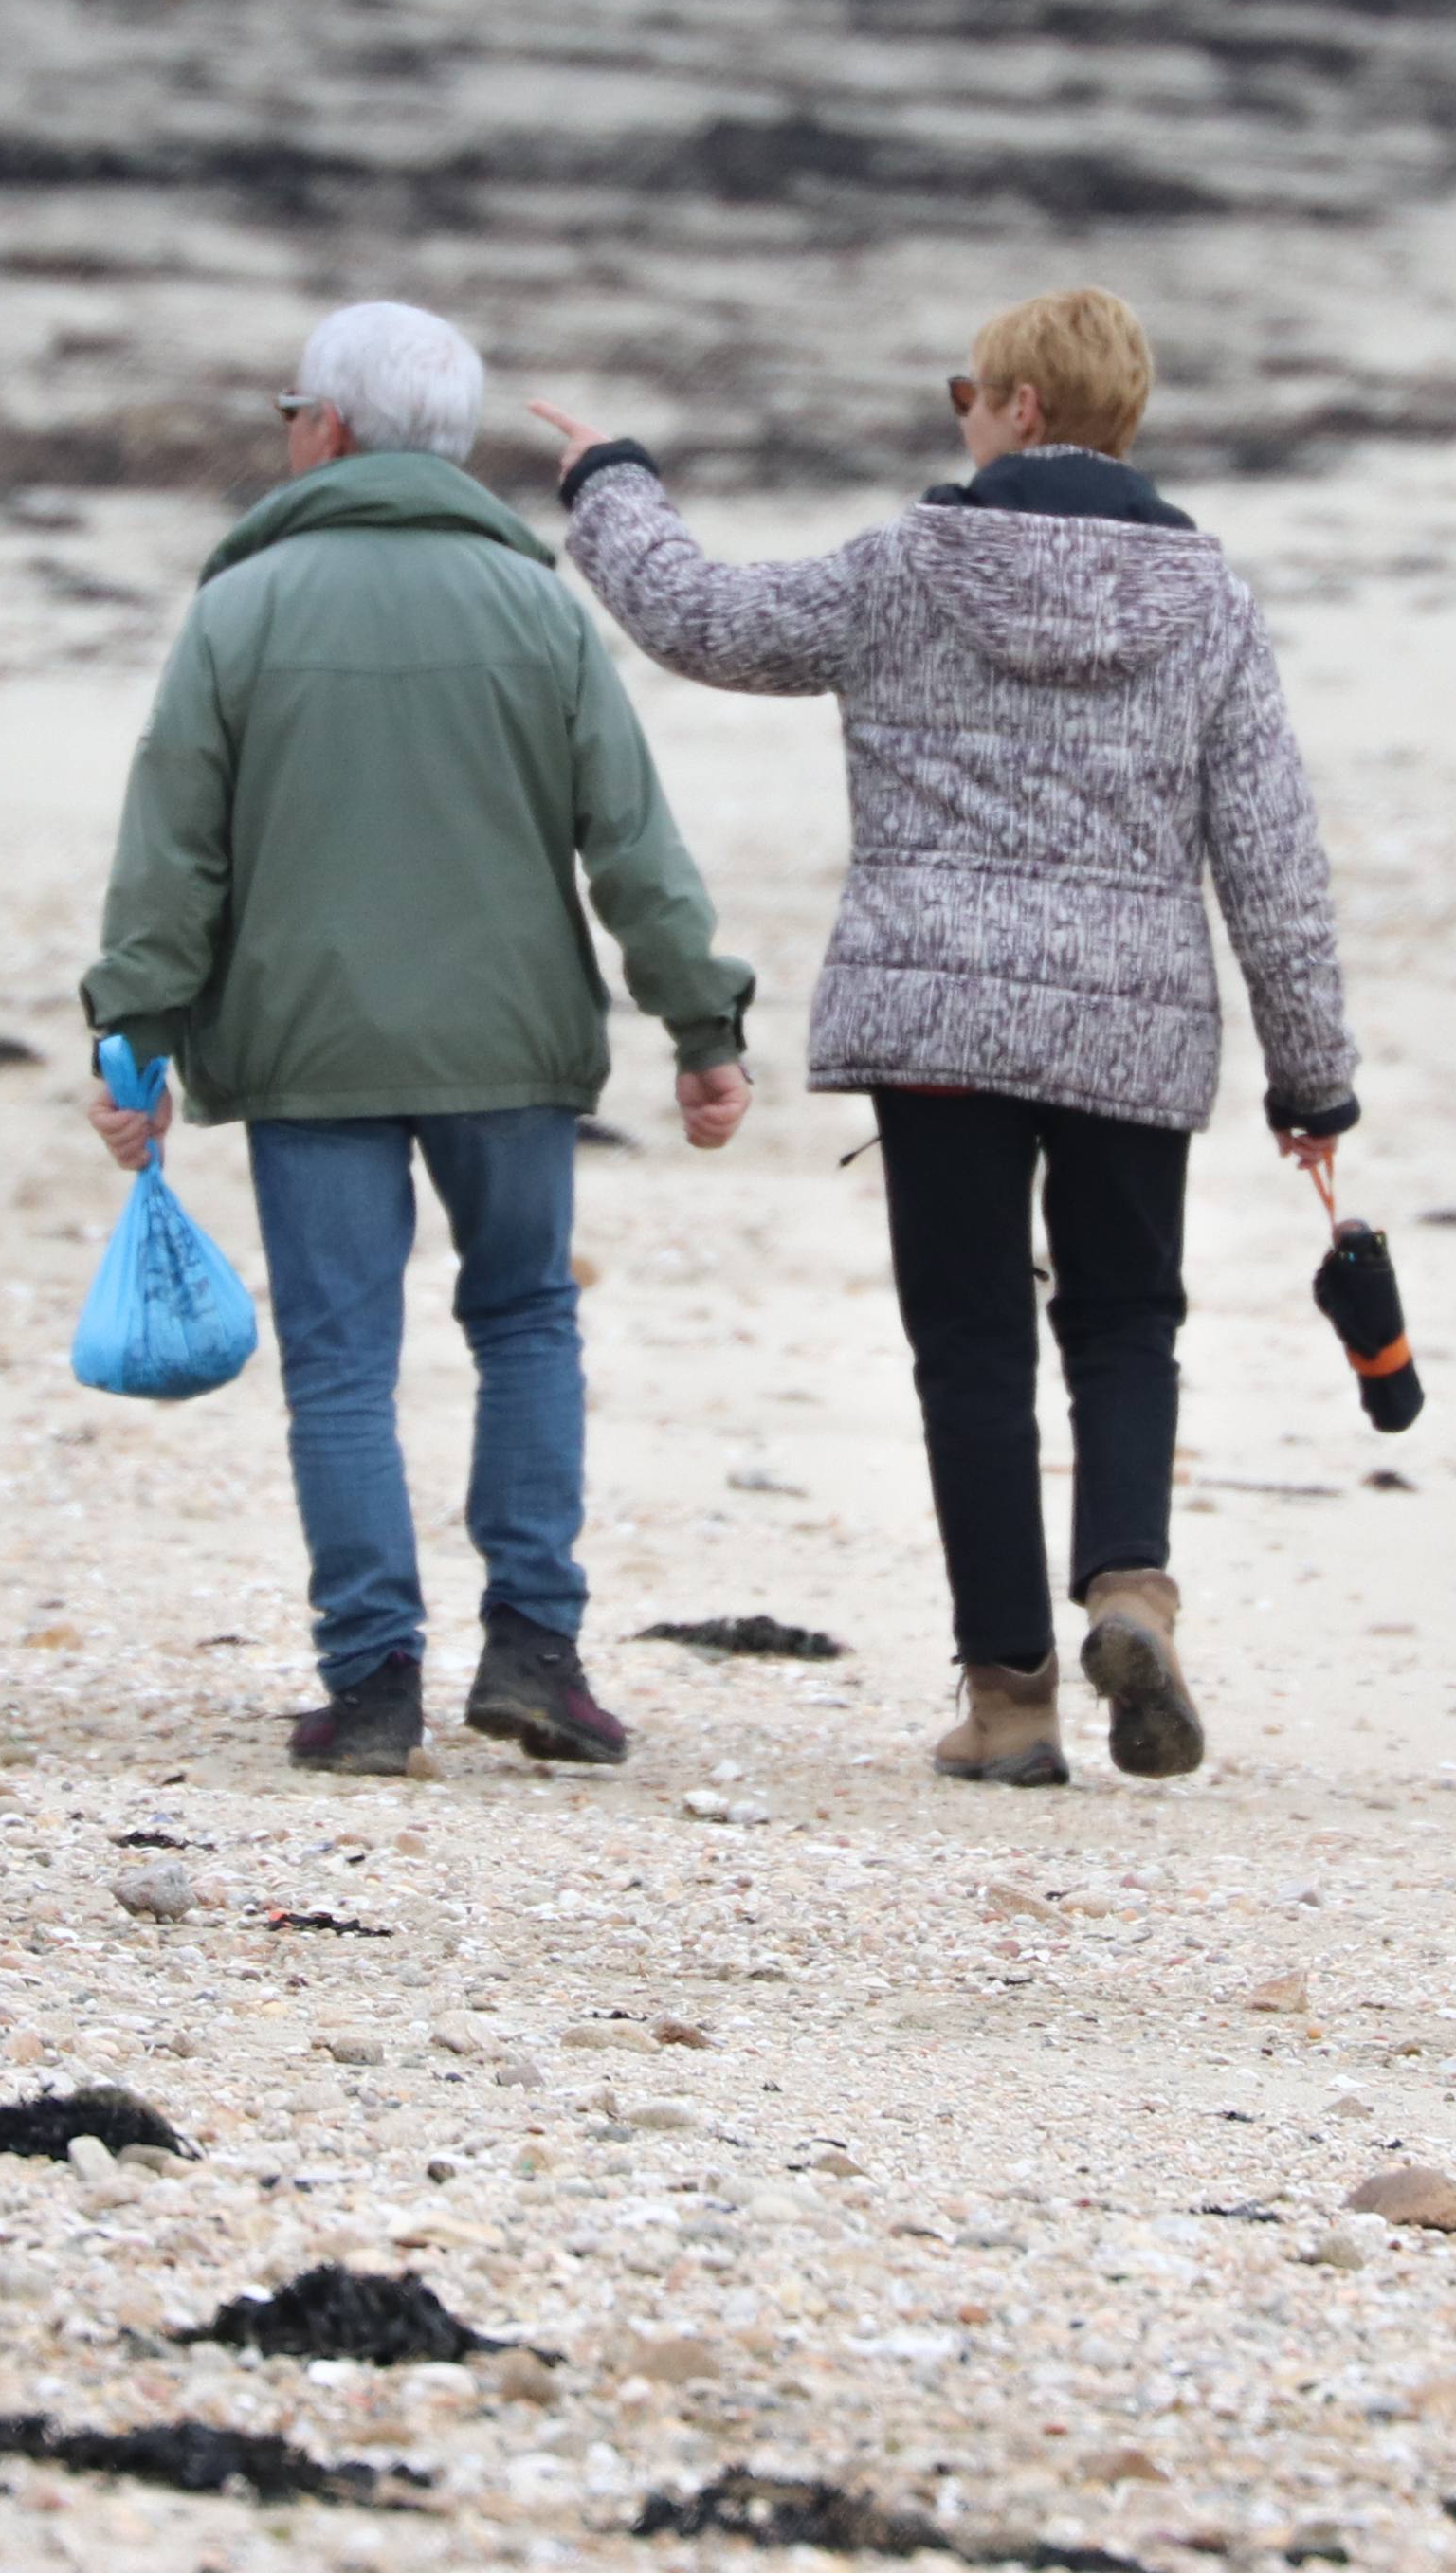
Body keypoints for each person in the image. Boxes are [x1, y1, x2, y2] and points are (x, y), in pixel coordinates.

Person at [530, 287, 1353, 1789]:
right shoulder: (1209, 600)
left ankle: (1012, 1702)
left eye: (965, 389)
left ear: (1024, 409)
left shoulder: (909, 567)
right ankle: (1129, 1589)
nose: (956, 409)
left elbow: (706, 622)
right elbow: (1274, 858)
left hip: (937, 1016)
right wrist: (1315, 1078)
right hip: (1131, 1017)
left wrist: (611, 480)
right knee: (1125, 1322)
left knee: (969, 1350)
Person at [81, 301, 759, 1777]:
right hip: (510, 1046)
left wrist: (133, 1042)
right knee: (524, 1323)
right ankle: (534, 1652)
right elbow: (631, 844)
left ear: (325, 428)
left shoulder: (242, 612)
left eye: (286, 411)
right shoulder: (536, 611)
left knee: (342, 1361)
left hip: (307, 1045)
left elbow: (170, 853)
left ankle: (372, 1681)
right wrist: (700, 1024)